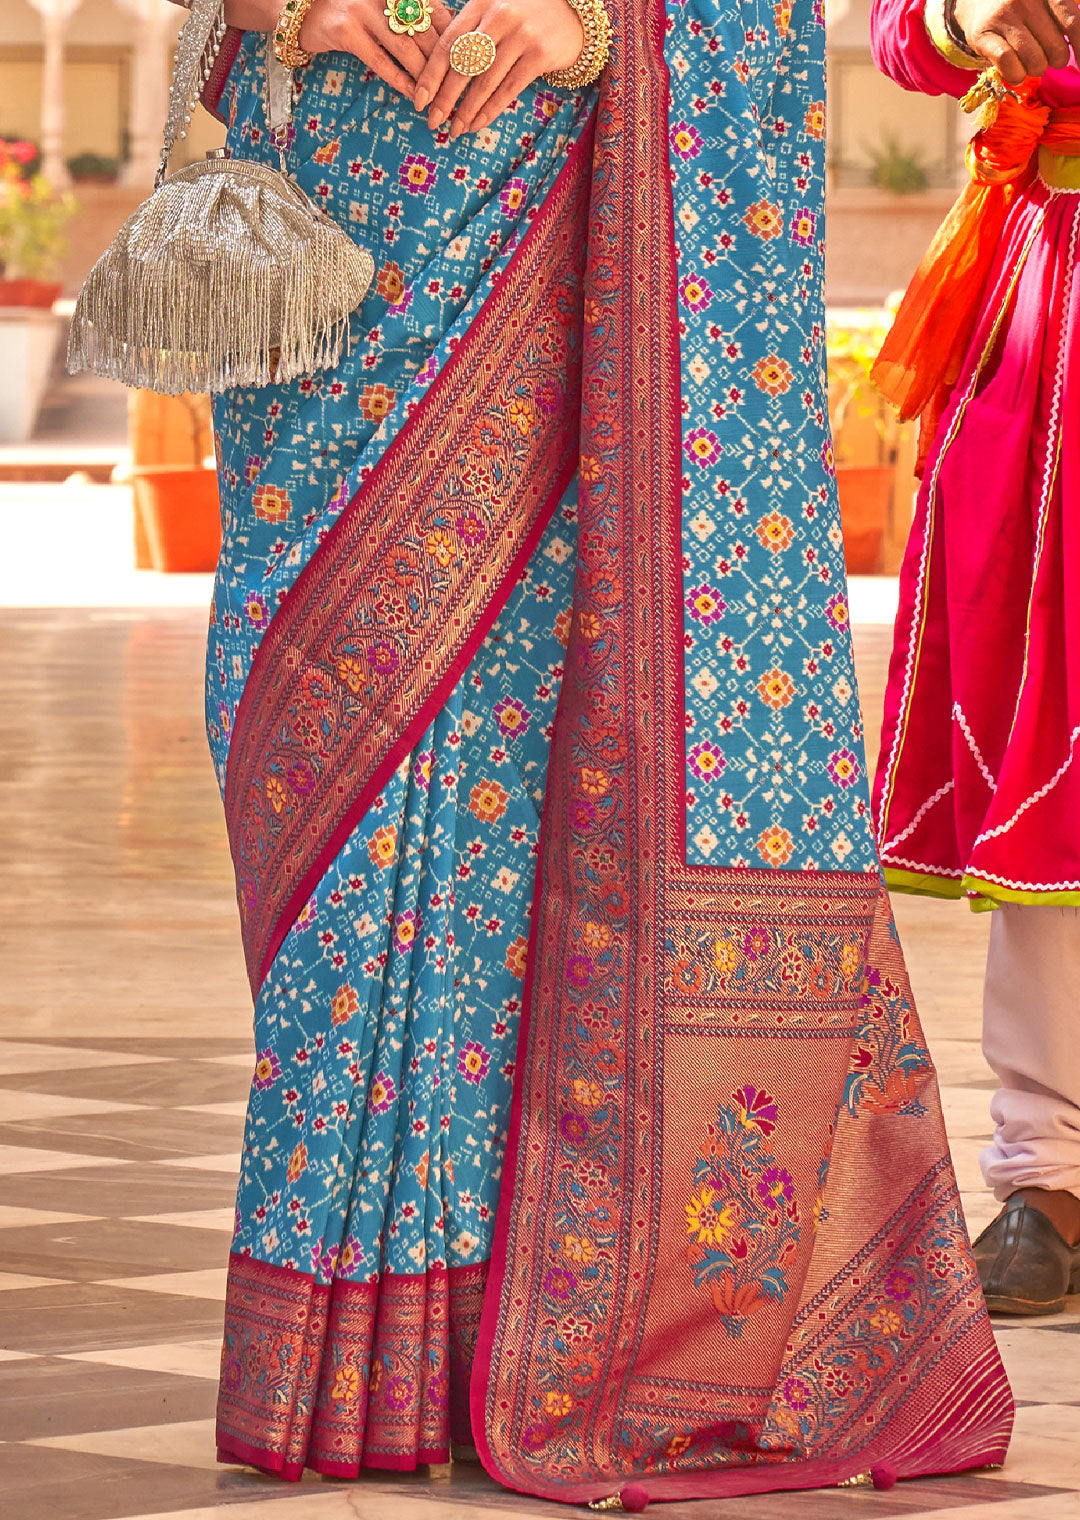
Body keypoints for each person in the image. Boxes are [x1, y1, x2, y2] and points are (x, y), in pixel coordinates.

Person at [197, 0, 1011, 1501]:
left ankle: (491, 1337)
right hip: (319, 216)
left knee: (520, 784)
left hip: (563, 212)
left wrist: (585, 25)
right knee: (316, 748)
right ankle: (358, 1327)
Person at [870, 0, 1080, 1316]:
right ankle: (1047, 1173)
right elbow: (902, 39)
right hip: (1049, 315)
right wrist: (965, 13)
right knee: (1046, 741)